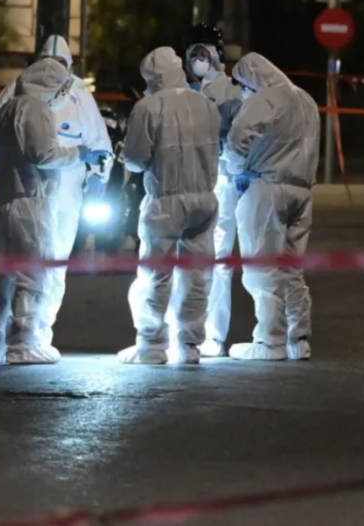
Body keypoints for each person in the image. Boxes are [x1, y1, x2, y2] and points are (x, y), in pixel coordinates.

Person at [0, 35, 113, 353]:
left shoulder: (76, 95)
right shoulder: (23, 99)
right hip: (34, 195)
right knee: (25, 270)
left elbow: (100, 142)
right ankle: (16, 340)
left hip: (57, 197)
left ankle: (24, 336)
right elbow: (33, 151)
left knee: (33, 269)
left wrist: (98, 177)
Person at [119, 47, 221, 365]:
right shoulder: (205, 104)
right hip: (205, 199)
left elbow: (135, 160)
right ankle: (189, 345)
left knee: (156, 274)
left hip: (166, 200)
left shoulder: (149, 106)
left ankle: (151, 346)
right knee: (197, 276)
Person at [223, 52, 320, 361]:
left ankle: (269, 341)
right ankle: (298, 339)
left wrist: (237, 171)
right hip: (302, 192)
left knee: (262, 267)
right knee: (291, 269)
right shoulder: (305, 100)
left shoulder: (265, 98)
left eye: (243, 84)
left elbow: (237, 140)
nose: (243, 91)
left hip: (266, 189)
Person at [184, 24, 248, 358]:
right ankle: (185, 330)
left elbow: (240, 141)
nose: (198, 59)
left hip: (222, 181)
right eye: (193, 52)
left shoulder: (233, 93)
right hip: (190, 182)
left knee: (219, 259)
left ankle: (213, 334)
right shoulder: (185, 92)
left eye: (203, 51)